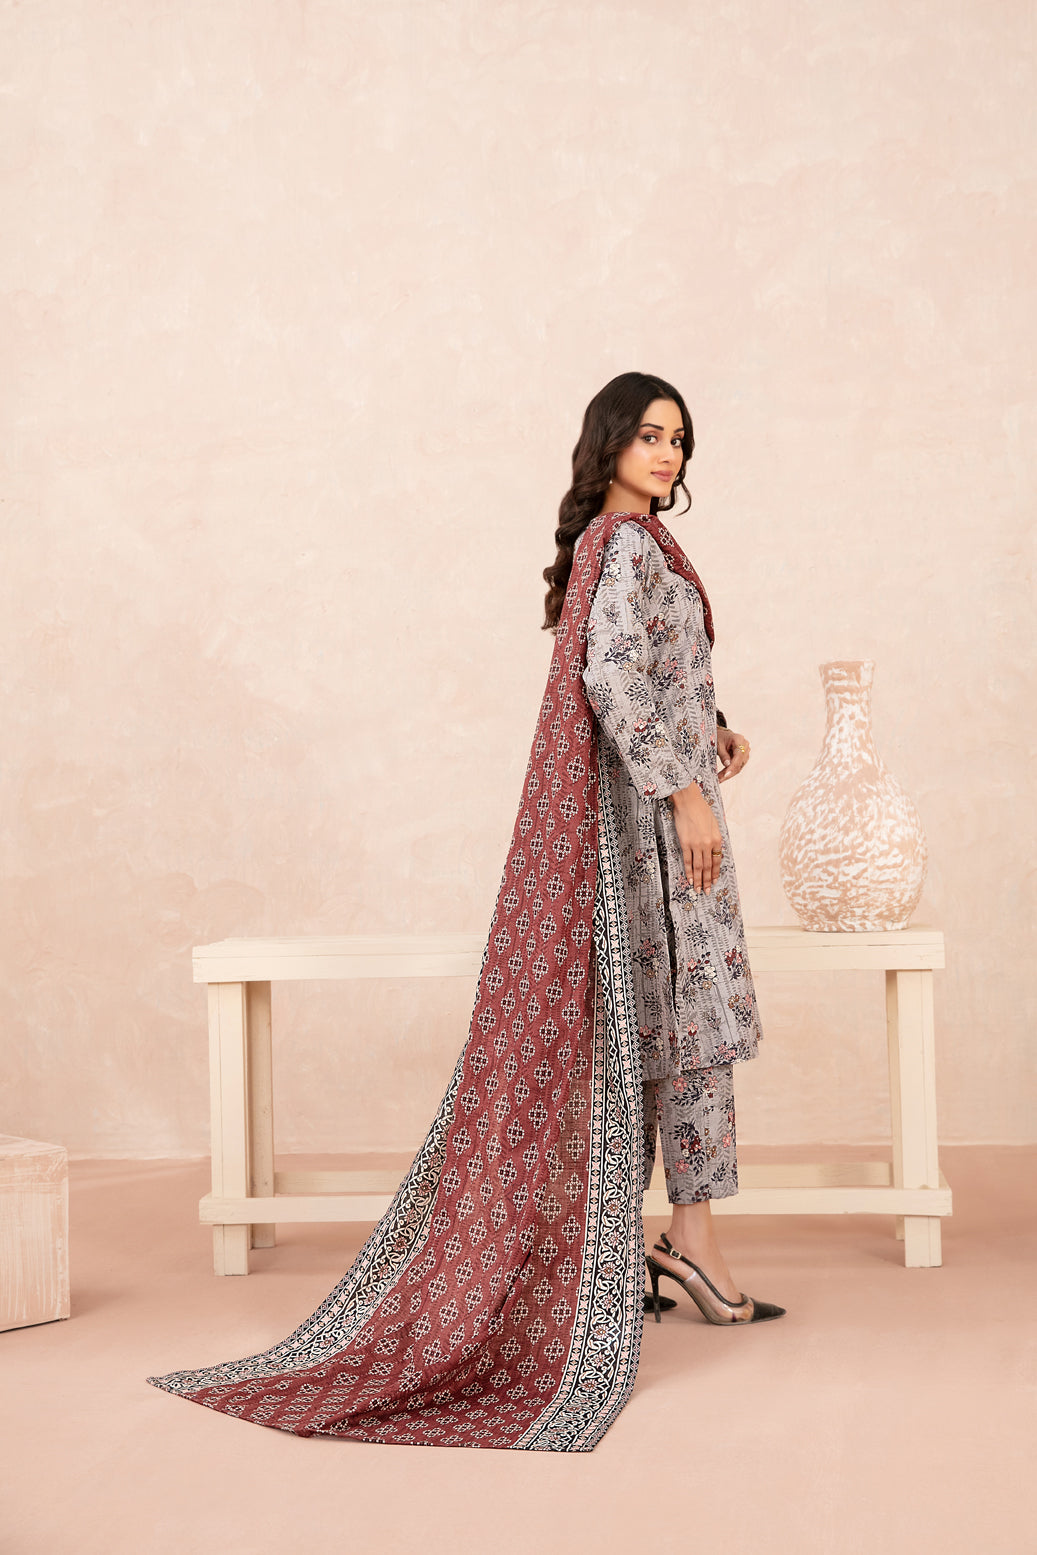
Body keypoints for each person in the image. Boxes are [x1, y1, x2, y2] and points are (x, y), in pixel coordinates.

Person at [147, 371, 783, 1453]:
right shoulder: (620, 544)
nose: (666, 453)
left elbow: (651, 672)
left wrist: (709, 728)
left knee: (680, 1031)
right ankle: (686, 1242)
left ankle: (682, 1239)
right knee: (685, 1030)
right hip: (649, 831)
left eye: (678, 438)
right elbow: (610, 679)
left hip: (664, 812)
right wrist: (681, 791)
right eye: (646, 435)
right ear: (608, 444)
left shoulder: (637, 545)